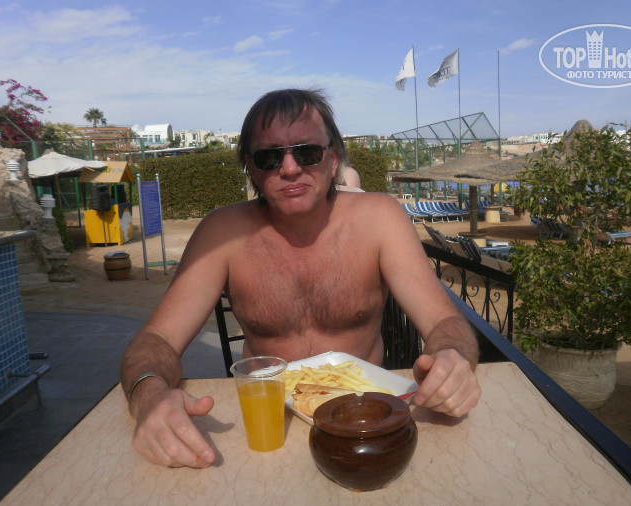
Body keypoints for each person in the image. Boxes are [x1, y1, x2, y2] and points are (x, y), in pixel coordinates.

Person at [120, 88, 480, 468]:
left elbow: (444, 323)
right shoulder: (222, 234)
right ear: (252, 169)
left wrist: (452, 359)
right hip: (269, 428)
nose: (290, 168)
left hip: (363, 422)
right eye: (269, 157)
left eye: (307, 152)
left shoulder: (380, 220)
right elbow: (157, 340)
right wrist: (148, 395)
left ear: (333, 158)